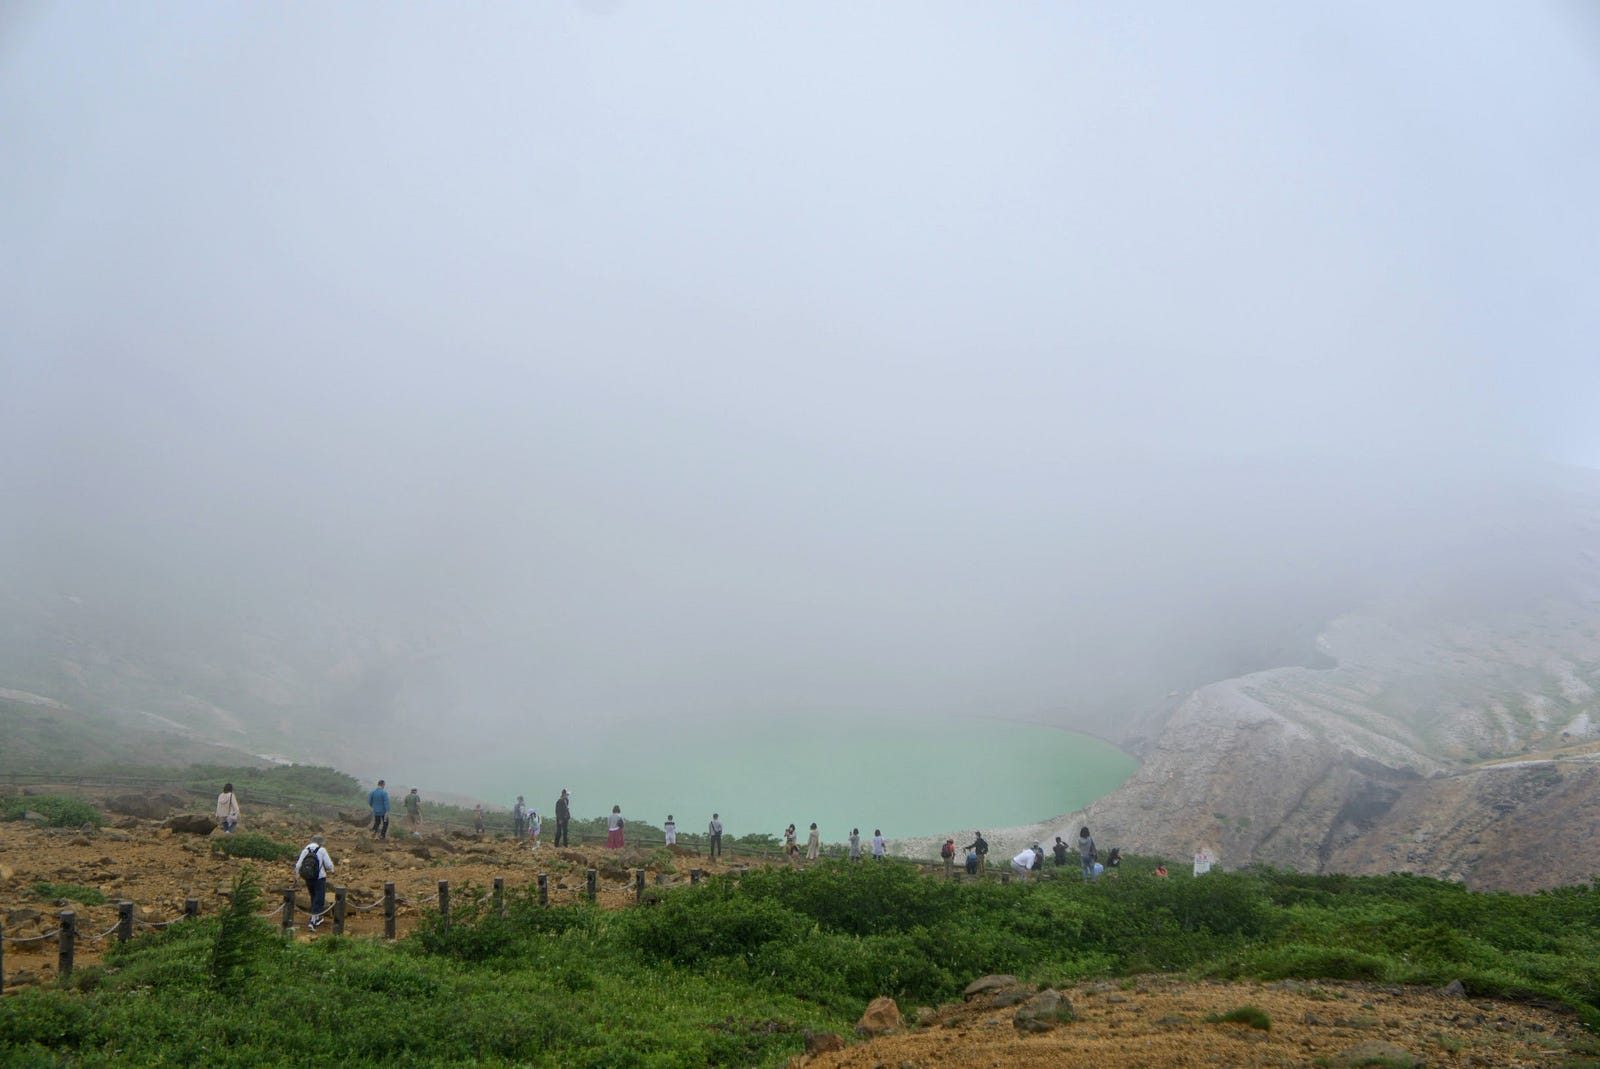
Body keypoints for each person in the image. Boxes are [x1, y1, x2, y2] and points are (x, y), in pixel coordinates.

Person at [295, 834, 334, 931]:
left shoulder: (306, 850)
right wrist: (332, 870)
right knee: (319, 898)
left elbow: (298, 865)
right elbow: (328, 865)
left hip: (308, 878)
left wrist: (297, 875)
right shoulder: (322, 850)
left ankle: (316, 917)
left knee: (313, 897)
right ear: (321, 842)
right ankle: (314, 921)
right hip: (319, 878)